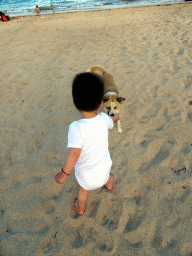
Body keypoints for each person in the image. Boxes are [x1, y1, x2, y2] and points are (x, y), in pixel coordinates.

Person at [55, 72, 120, 215]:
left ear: (75, 103)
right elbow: (111, 121)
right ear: (101, 103)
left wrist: (64, 174)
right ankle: (109, 185)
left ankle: (81, 208)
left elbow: (74, 153)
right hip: (103, 173)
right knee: (107, 172)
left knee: (83, 191)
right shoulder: (103, 119)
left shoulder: (75, 127)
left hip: (86, 179)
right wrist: (114, 117)